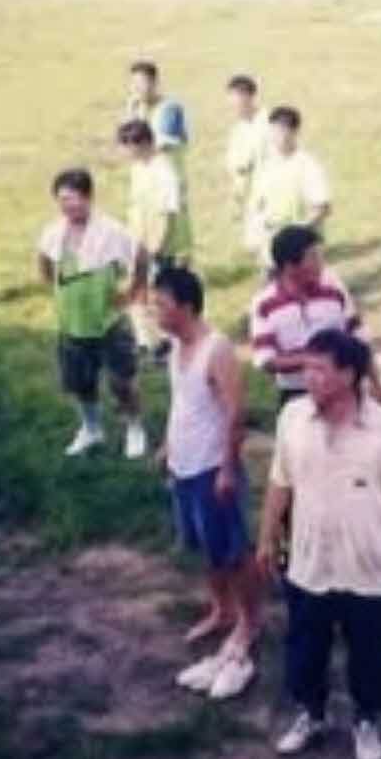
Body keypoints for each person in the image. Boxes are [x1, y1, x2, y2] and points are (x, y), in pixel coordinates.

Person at [257, 331, 381, 759]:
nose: (308, 377)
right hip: (310, 559)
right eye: (306, 367)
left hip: (369, 560)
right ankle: (311, 713)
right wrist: (267, 536)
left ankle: (367, 720)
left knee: (372, 648)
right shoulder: (292, 417)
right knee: (305, 645)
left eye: (319, 369)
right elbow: (280, 481)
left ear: (348, 375)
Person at [154, 266, 259, 702]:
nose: (155, 311)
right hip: (183, 465)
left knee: (233, 552)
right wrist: (166, 446)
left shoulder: (217, 350)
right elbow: (184, 404)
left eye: (161, 303)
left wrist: (227, 470)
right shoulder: (177, 348)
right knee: (206, 548)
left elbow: (236, 414)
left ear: (185, 305)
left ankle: (250, 621)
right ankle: (221, 609)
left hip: (212, 470)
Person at [36, 168, 148, 459]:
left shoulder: (110, 231)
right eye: (62, 200)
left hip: (108, 324)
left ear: (88, 197)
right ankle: (91, 428)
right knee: (81, 383)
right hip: (72, 326)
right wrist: (54, 288)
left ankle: (134, 428)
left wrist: (133, 290)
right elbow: (44, 260)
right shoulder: (54, 233)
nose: (68, 206)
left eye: (73, 199)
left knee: (121, 381)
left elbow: (141, 254)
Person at [249, 225, 360, 410]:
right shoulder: (264, 304)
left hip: (342, 391)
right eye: (313, 257)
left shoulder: (334, 290)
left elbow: (357, 336)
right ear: (290, 265)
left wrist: (375, 385)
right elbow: (266, 360)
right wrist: (312, 361)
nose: (321, 264)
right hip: (297, 396)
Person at [119, 116, 193, 360]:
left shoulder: (164, 171)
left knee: (161, 299)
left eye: (129, 146)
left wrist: (155, 248)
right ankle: (147, 342)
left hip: (163, 247)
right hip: (140, 243)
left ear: (143, 143)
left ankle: (166, 344)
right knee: (137, 296)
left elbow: (167, 215)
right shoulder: (138, 168)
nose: (126, 152)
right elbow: (136, 207)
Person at [247, 107, 331, 254]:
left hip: (302, 247)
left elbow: (322, 208)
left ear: (294, 132)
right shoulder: (266, 167)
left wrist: (300, 230)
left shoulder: (307, 165)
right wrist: (255, 235)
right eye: (273, 131)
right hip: (272, 244)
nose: (277, 137)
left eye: (282, 131)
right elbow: (256, 206)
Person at [125, 60, 189, 208]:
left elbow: (157, 143)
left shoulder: (169, 108)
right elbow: (128, 141)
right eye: (133, 83)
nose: (136, 87)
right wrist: (131, 112)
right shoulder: (136, 107)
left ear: (154, 83)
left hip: (166, 179)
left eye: (141, 82)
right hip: (144, 177)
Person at [223, 74, 269, 254]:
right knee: (253, 244)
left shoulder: (267, 124)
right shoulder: (238, 129)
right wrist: (236, 197)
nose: (234, 107)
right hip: (250, 195)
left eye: (237, 102)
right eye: (231, 102)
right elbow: (235, 167)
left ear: (249, 97)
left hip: (268, 192)